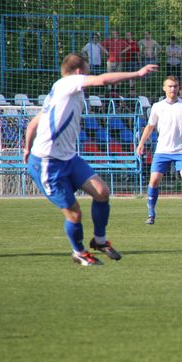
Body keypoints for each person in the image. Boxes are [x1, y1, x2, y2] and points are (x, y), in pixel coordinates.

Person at [22, 53, 157, 266]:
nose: (88, 76)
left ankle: (100, 241)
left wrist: (26, 148)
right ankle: (79, 252)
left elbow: (32, 124)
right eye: (87, 71)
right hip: (48, 163)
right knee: (74, 214)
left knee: (102, 192)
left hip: (68, 158)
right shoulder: (69, 83)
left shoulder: (60, 94)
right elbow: (103, 80)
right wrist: (137, 73)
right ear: (78, 72)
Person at [135, 77, 182, 224]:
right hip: (162, 150)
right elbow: (150, 126)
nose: (173, 89)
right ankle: (151, 214)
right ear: (164, 88)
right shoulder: (157, 106)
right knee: (153, 181)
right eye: (170, 86)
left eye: (175, 86)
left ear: (179, 88)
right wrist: (141, 143)